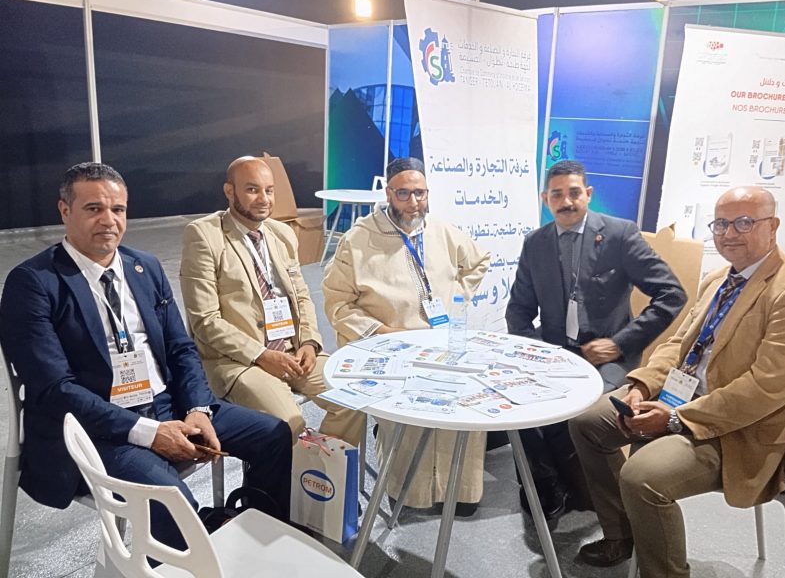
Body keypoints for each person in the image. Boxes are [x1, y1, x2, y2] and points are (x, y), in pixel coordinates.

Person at [0, 162, 292, 553]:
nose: (109, 220)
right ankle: (188, 560)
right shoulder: (34, 283)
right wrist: (149, 432)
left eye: (118, 209)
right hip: (96, 427)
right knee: (171, 499)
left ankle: (254, 542)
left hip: (167, 404)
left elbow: (181, 348)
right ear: (65, 211)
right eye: (93, 209)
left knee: (273, 435)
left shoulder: (144, 267)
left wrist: (198, 410)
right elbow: (55, 390)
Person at [570, 186, 785, 576]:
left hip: (736, 429)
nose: (729, 233)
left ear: (772, 226)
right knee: (588, 422)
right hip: (680, 397)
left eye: (744, 223)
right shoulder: (719, 279)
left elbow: (765, 388)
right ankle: (623, 534)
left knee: (641, 477)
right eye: (721, 224)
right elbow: (678, 345)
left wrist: (677, 418)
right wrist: (641, 387)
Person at [504, 159, 687, 520]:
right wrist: (533, 355)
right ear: (545, 199)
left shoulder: (619, 235)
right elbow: (518, 310)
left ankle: (584, 491)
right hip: (555, 352)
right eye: (557, 195)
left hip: (610, 356)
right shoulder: (536, 243)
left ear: (588, 193)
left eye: (574, 193)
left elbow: (671, 294)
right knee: (517, 404)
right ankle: (545, 484)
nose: (566, 202)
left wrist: (621, 342)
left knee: (575, 411)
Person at [322, 157, 490, 514]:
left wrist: (456, 298)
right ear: (388, 193)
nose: (414, 202)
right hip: (387, 351)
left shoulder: (442, 231)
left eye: (420, 193)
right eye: (404, 194)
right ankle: (409, 489)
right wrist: (383, 332)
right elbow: (338, 303)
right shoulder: (359, 239)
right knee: (410, 416)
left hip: (441, 345)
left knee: (466, 404)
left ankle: (460, 489)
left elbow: (479, 261)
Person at [180, 156, 363, 445]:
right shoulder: (205, 236)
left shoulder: (282, 234)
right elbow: (205, 321)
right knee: (291, 424)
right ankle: (303, 469)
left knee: (355, 398)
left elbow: (301, 296)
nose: (263, 199)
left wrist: (309, 342)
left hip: (293, 351)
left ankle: (321, 469)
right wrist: (262, 355)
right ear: (230, 191)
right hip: (241, 361)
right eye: (252, 189)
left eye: (269, 190)